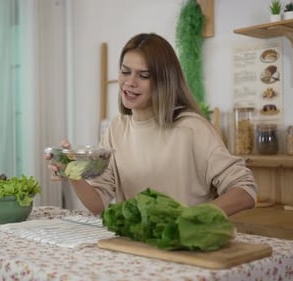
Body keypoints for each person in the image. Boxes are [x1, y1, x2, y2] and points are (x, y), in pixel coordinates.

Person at [47, 33, 257, 216]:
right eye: (125, 71)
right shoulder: (117, 129)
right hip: (135, 247)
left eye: (143, 75)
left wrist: (192, 218)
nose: (130, 82)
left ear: (164, 81)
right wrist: (71, 171)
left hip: (185, 249)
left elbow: (245, 190)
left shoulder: (192, 128)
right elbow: (98, 203)